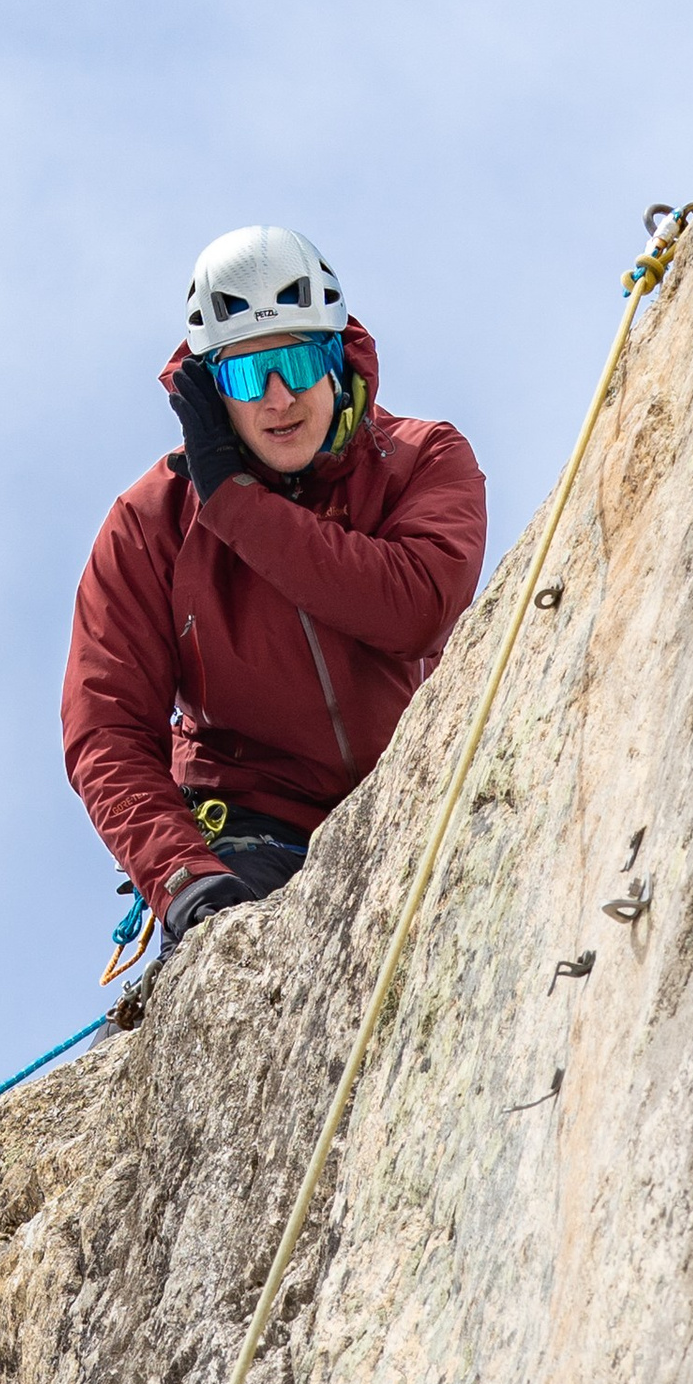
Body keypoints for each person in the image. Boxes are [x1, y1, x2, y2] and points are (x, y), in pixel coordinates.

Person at [63, 223, 488, 949]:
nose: (278, 396)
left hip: (425, 798)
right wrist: (182, 877)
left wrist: (233, 500)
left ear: (335, 356)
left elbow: (415, 606)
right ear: (209, 390)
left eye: (295, 359)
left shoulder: (421, 458)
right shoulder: (152, 525)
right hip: (253, 838)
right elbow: (106, 729)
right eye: (246, 375)